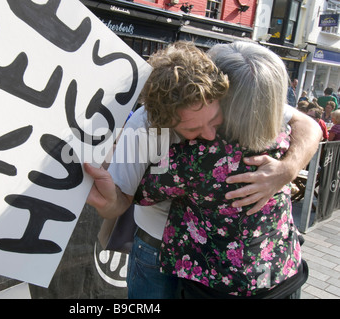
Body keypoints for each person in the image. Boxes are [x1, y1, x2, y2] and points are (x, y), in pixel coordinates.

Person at [85, 41, 322, 299]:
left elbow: (308, 125)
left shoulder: (231, 102)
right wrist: (108, 203)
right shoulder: (143, 127)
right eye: (192, 130)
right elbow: (121, 201)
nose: (209, 136)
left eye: (214, 121)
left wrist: (286, 170)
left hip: (209, 267)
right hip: (158, 248)